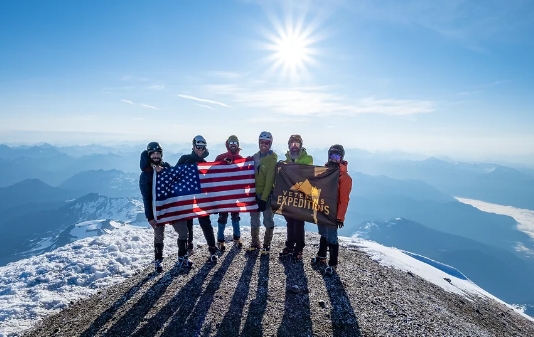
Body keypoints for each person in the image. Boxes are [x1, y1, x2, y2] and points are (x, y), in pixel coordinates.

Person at [139, 142, 190, 272]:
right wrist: (149, 216)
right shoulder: (145, 175)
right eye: (153, 154)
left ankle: (182, 257)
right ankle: (158, 260)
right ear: (149, 155)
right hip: (157, 210)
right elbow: (146, 197)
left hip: (172, 207)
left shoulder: (166, 166)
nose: (156, 156)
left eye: (158, 153)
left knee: (183, 231)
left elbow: (177, 178)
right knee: (159, 235)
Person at [175, 135, 219, 262]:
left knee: (205, 222)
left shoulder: (205, 164)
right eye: (198, 147)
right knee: (188, 222)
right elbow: (174, 174)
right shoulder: (184, 159)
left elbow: (211, 182)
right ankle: (189, 246)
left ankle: (212, 249)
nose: (200, 149)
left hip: (201, 197)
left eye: (202, 147)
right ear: (193, 146)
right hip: (186, 196)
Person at [311, 144, 352, 275]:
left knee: (332, 238)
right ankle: (322, 257)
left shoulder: (345, 178)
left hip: (333, 213)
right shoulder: (324, 172)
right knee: (323, 234)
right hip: (322, 210)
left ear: (341, 158)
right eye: (332, 156)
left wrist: (340, 217)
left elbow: (344, 199)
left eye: (337, 156)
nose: (334, 159)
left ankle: (332, 264)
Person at [278, 134, 313, 260]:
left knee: (299, 223)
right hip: (289, 196)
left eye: (296, 144)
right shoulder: (286, 160)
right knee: (290, 222)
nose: (294, 147)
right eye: (292, 144)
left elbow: (305, 172)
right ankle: (290, 245)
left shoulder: (307, 158)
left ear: (301, 146)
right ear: (288, 146)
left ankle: (299, 248)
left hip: (302, 197)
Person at [247, 131, 278, 255]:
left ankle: (266, 245)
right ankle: (255, 243)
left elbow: (270, 181)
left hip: (267, 195)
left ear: (270, 144)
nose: (264, 145)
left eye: (266, 143)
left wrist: (264, 199)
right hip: (254, 194)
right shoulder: (255, 157)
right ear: (259, 143)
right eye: (262, 142)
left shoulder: (272, 159)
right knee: (254, 219)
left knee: (267, 220)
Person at [214, 135, 243, 251]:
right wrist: (223, 164)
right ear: (227, 144)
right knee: (223, 217)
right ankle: (220, 240)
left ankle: (237, 238)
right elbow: (213, 171)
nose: (233, 144)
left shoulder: (241, 158)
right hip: (223, 194)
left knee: (236, 217)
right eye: (231, 142)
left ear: (238, 144)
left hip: (235, 193)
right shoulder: (221, 157)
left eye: (235, 142)